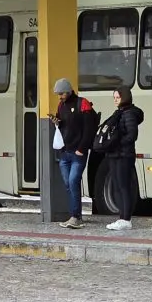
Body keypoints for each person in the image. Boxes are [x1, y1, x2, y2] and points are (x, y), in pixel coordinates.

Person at [51, 78, 97, 229]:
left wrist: (81, 149)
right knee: (68, 184)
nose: (60, 96)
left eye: (62, 93)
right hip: (65, 151)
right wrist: (57, 121)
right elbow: (65, 124)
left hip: (78, 152)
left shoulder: (82, 104)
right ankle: (74, 215)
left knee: (73, 181)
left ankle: (75, 216)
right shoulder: (61, 105)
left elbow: (89, 129)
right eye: (59, 94)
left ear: (69, 91)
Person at [105, 86, 143, 232]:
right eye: (114, 98)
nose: (115, 100)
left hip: (124, 155)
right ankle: (122, 217)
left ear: (125, 97)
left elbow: (132, 135)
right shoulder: (120, 112)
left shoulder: (128, 114)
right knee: (117, 186)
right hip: (116, 154)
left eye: (118, 97)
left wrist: (117, 142)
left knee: (123, 187)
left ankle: (125, 219)